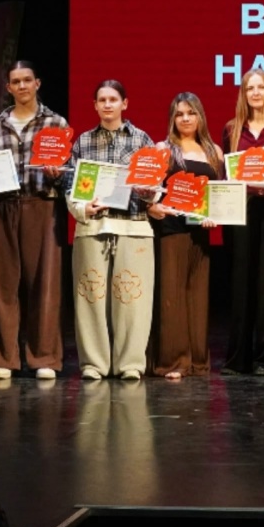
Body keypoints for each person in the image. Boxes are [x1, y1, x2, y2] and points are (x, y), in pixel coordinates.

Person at [0, 61, 68, 380]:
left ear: (37, 83)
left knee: (43, 283)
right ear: (8, 88)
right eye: (15, 82)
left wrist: (57, 175)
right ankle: (4, 357)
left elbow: (68, 175)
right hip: (3, 207)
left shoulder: (55, 123)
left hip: (41, 206)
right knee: (1, 285)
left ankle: (43, 356)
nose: (22, 86)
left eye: (27, 80)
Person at [65, 79, 155, 381]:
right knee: (90, 296)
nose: (107, 105)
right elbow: (71, 186)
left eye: (113, 99)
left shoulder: (142, 140)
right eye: (101, 100)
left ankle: (131, 364)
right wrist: (82, 208)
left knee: (133, 300)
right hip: (93, 227)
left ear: (124, 104)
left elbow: (154, 186)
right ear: (95, 105)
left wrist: (148, 192)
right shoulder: (83, 142)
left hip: (134, 227)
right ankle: (94, 364)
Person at [220, 69, 264, 376]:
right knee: (241, 282)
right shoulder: (232, 129)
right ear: (244, 93)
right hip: (241, 211)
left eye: (261, 87)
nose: (256, 93)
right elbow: (226, 174)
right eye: (250, 88)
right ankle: (238, 359)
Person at [150, 92, 222, 380]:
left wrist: (216, 215)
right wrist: (152, 207)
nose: (186, 119)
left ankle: (197, 361)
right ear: (172, 119)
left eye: (191, 113)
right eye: (179, 114)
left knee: (197, 297)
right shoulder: (163, 149)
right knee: (172, 297)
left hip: (200, 234)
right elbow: (151, 190)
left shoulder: (213, 151)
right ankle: (173, 361)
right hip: (171, 231)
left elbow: (219, 195)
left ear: (200, 116)